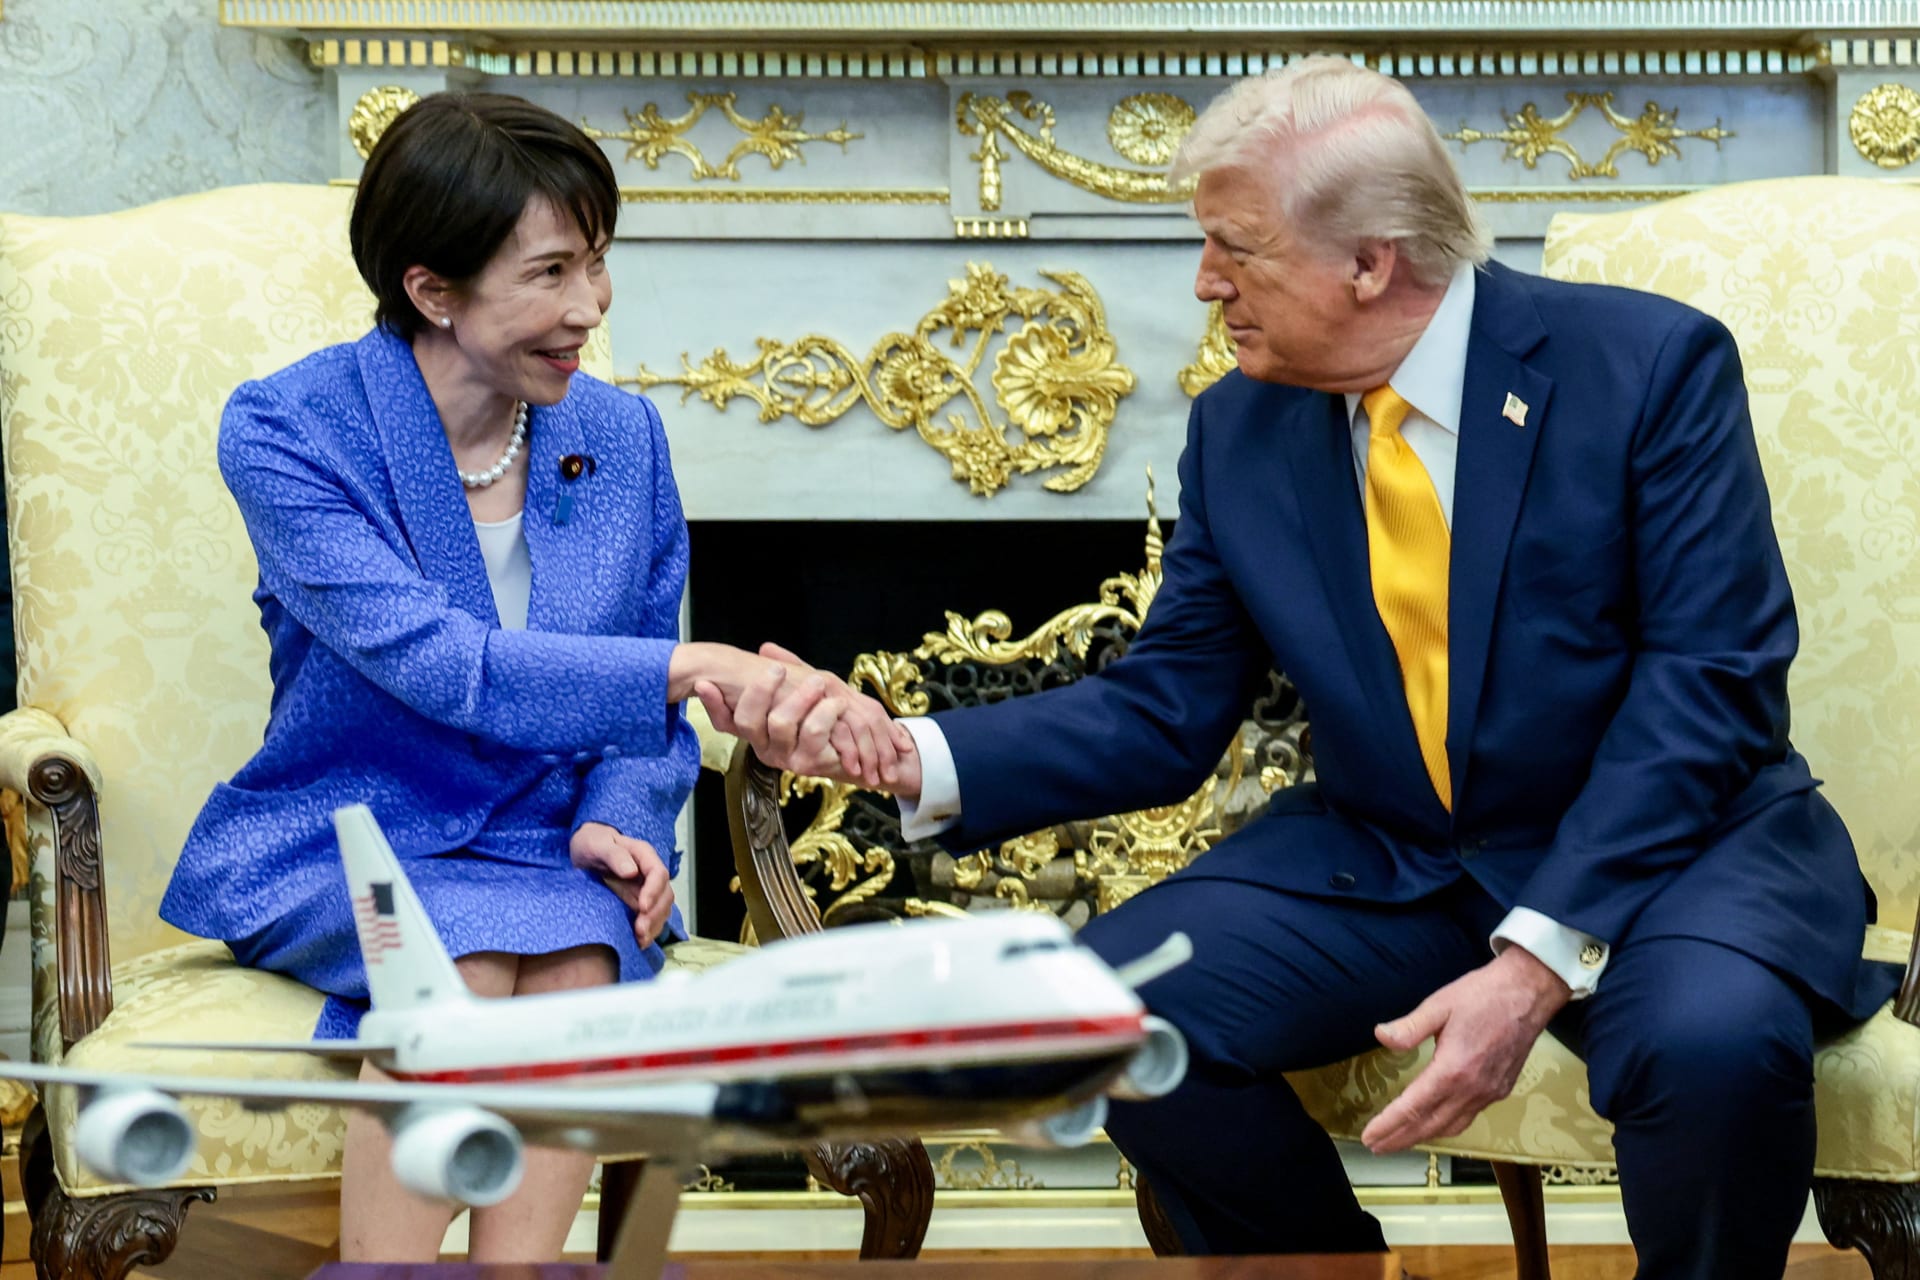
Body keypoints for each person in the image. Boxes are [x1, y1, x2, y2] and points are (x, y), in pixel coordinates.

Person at [707, 58, 1903, 1278]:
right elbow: (1166, 705)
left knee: (1708, 1044)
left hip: (1677, 851)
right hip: (1406, 860)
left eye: (1236, 245)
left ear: (1371, 260)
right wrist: (910, 749)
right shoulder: (1243, 423)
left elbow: (1711, 684)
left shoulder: (1647, 369)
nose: (1206, 281)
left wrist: (1539, 952)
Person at [158, 93, 902, 1263]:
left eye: (597, 265)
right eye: (551, 272)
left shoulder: (624, 438)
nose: (589, 310)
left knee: (577, 952)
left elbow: (638, 730)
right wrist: (689, 666)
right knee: (457, 950)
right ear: (432, 290)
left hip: (546, 839)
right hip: (346, 829)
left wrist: (615, 818)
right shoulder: (290, 429)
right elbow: (446, 664)